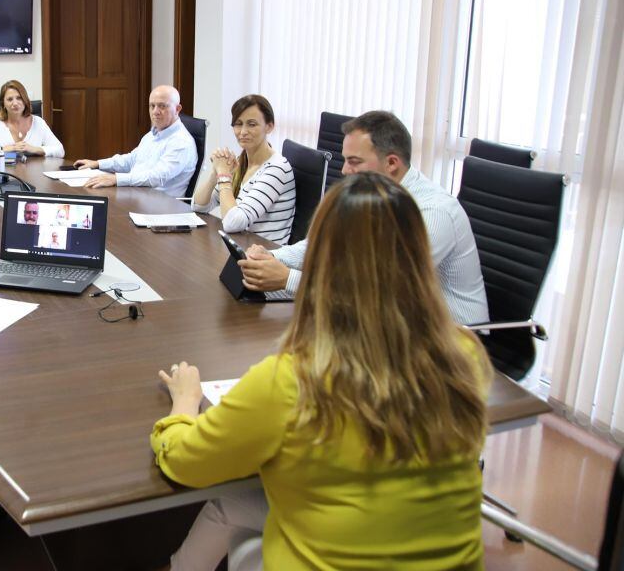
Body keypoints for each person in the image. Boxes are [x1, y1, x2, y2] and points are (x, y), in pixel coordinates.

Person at [153, 172, 493, 571]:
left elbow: (185, 463)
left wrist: (184, 404)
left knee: (232, 498)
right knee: (237, 502)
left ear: (324, 260)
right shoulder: (465, 355)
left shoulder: (293, 379)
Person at [239, 110, 489, 326]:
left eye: (354, 161)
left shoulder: (432, 213)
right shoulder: (372, 196)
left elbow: (378, 289)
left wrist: (288, 278)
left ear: (391, 163)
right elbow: (326, 243)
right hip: (398, 324)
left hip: (453, 341)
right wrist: (272, 258)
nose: (345, 170)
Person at [191, 95, 296, 242]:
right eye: (238, 124)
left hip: (264, 255)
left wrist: (224, 176)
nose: (243, 132)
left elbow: (233, 223)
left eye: (252, 124)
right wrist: (215, 173)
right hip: (242, 246)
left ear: (269, 126)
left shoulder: (277, 168)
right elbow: (198, 206)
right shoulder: (241, 162)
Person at [74, 85, 197, 197]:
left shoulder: (181, 142)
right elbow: (132, 159)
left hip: (160, 208)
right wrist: (98, 163)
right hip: (138, 194)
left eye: (162, 106)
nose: (155, 112)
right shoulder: (153, 134)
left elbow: (156, 177)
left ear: (177, 109)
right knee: (89, 194)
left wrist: (116, 179)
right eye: (152, 106)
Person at [0, 80, 65, 158]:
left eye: (19, 98)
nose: (15, 103)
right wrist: (3, 149)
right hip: (4, 176)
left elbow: (60, 151)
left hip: (35, 176)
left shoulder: (38, 122)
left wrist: (34, 149)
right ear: (3, 104)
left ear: (25, 100)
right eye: (10, 99)